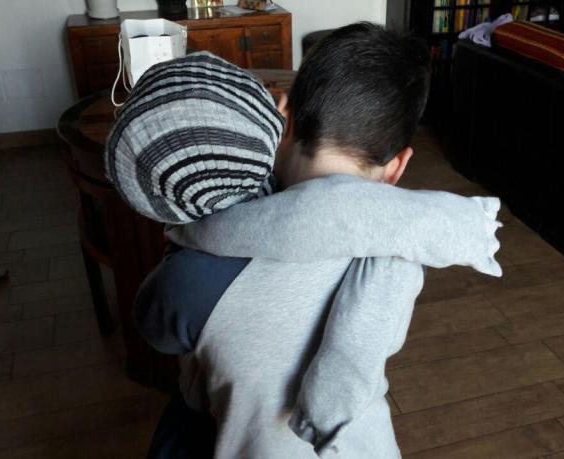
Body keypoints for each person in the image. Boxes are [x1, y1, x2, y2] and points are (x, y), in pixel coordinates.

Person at [107, 23, 502, 459]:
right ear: (398, 167)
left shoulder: (198, 269)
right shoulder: (407, 249)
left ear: (286, 122)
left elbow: (157, 330)